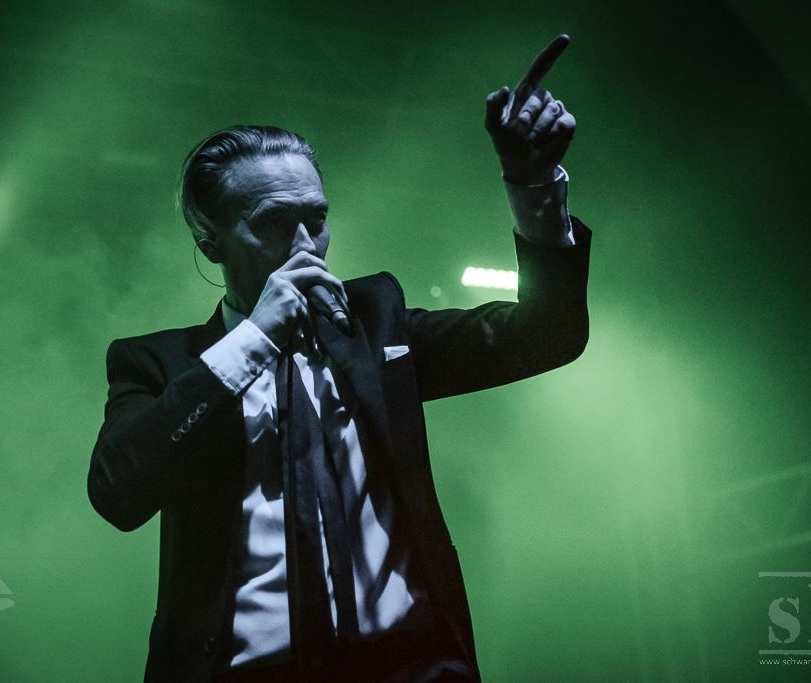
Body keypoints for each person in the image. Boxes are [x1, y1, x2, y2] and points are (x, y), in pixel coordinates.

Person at [88, 35, 592, 682]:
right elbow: (118, 493)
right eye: (273, 223)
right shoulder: (157, 363)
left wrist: (533, 181)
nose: (306, 245)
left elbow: (549, 334)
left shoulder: (374, 319)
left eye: (317, 218)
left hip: (411, 666)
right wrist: (255, 338)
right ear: (210, 243)